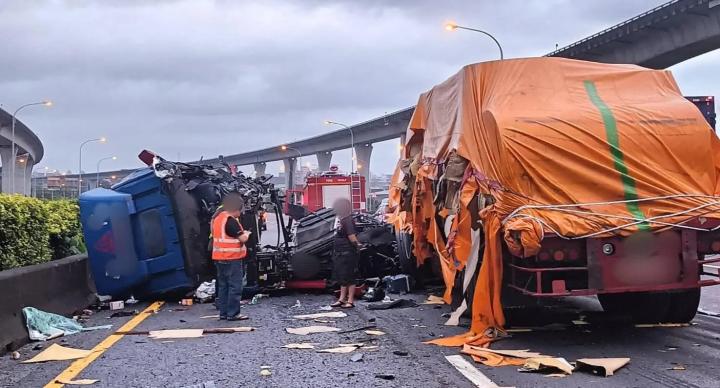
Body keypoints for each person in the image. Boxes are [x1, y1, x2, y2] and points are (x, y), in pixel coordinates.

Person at [211, 192, 251, 320]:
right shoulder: (231, 221)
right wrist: (247, 233)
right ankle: (233, 314)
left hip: (219, 258)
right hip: (232, 258)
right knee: (235, 286)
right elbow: (243, 239)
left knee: (223, 286)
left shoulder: (218, 218)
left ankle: (224, 313)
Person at [330, 198, 362, 309]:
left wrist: (358, 245)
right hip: (340, 252)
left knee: (350, 276)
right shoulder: (341, 219)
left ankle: (350, 300)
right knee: (342, 276)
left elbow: (351, 236)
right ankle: (342, 299)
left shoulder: (348, 220)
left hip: (347, 252)